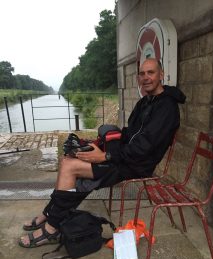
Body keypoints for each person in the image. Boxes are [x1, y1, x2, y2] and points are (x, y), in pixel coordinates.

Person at [19, 58, 186, 248]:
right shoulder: (145, 102)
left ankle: (51, 228)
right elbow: (129, 135)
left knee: (70, 167)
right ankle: (50, 214)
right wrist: (100, 145)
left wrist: (105, 156)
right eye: (142, 73)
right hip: (125, 157)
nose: (146, 77)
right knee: (70, 157)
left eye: (151, 72)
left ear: (161, 75)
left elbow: (143, 148)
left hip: (136, 165)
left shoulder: (167, 108)